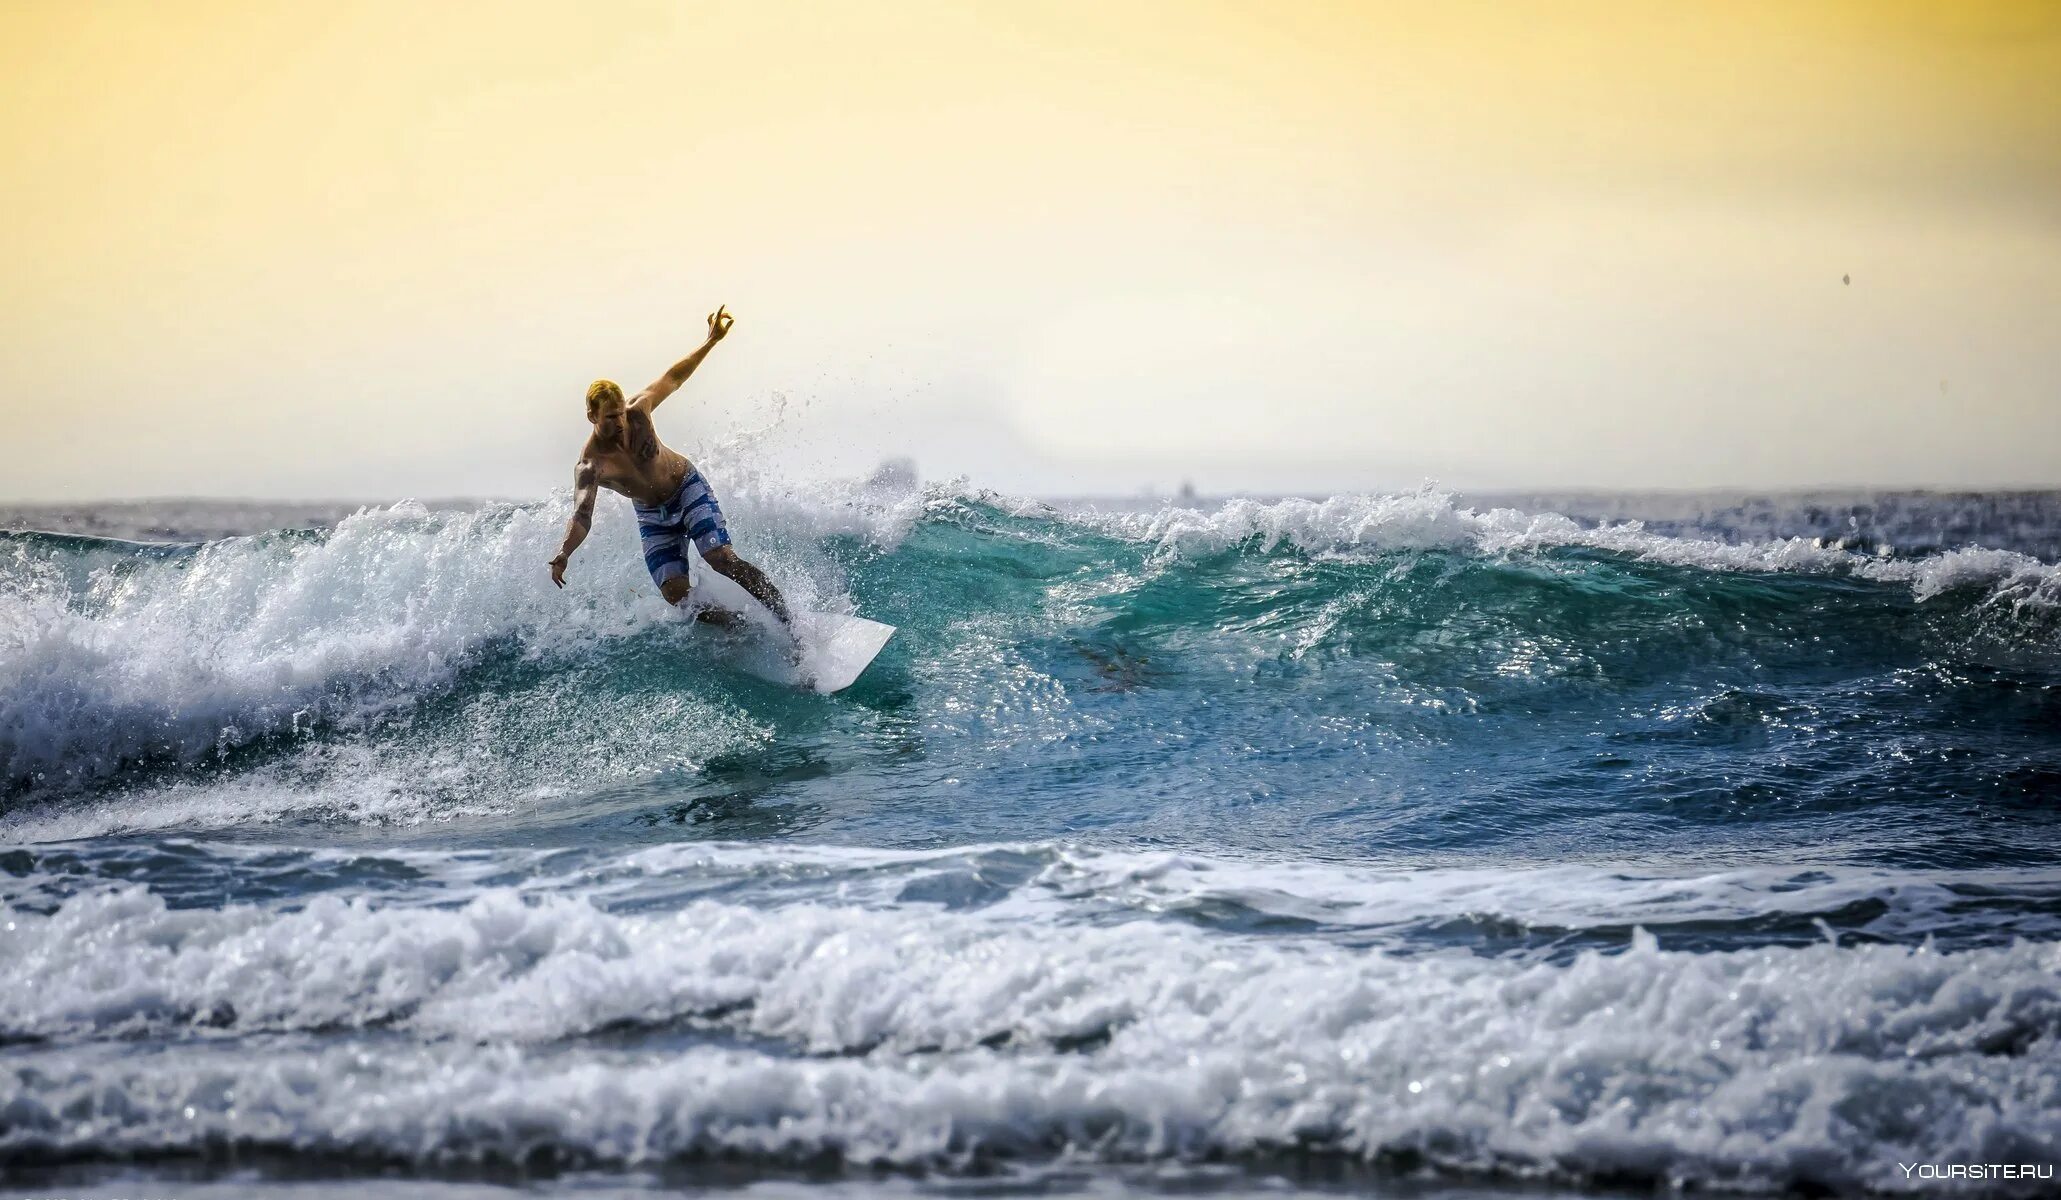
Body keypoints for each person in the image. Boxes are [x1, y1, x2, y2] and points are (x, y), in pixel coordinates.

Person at [547, 306, 790, 627]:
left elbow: (673, 378)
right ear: (591, 416)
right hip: (653, 516)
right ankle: (739, 626)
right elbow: (581, 515)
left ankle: (789, 621)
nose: (619, 422)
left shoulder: (638, 411)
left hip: (686, 488)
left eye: (620, 412)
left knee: (721, 559)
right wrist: (565, 552)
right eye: (609, 417)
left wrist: (711, 341)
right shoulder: (591, 465)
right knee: (676, 595)